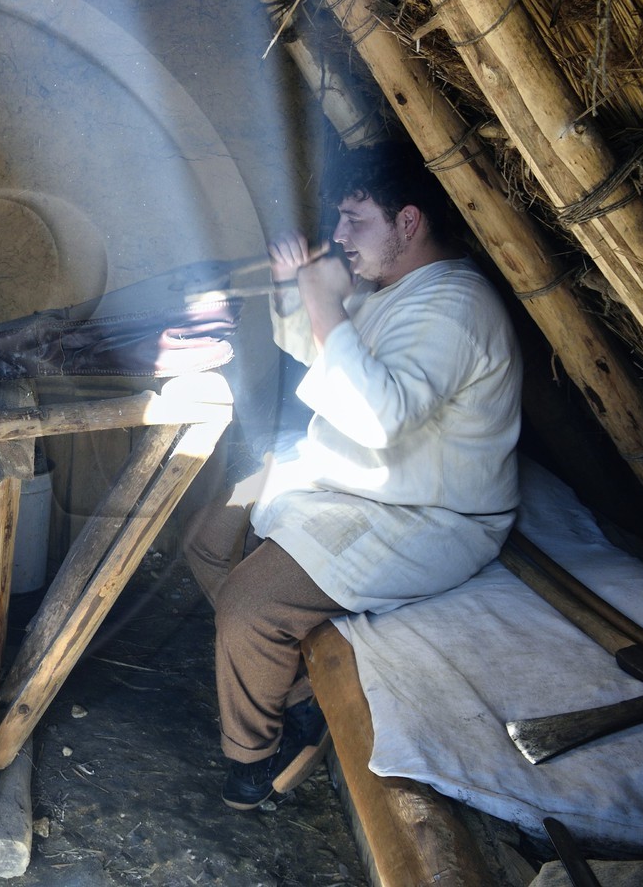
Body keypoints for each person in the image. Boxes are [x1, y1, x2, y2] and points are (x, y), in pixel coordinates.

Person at [183, 142, 521, 810]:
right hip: (358, 482)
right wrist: (298, 289)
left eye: (355, 220)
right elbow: (319, 352)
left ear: (409, 222)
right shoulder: (393, 289)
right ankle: (301, 686)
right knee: (208, 535)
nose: (339, 237)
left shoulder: (453, 305)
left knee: (250, 606)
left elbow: (377, 418)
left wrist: (321, 296)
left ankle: (258, 756)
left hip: (427, 513)